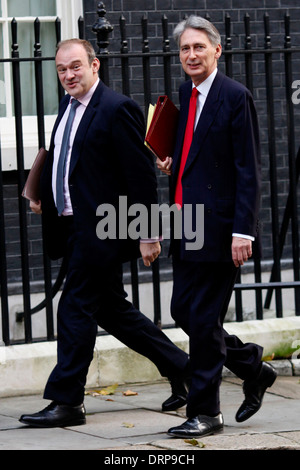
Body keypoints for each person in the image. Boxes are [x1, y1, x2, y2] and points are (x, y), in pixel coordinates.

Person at [19, 38, 190, 428]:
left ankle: (67, 401)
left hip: (105, 229)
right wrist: (41, 192)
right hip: (74, 226)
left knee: (74, 307)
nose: (68, 75)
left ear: (95, 65)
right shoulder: (67, 106)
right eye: (62, 69)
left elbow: (140, 176)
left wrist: (149, 232)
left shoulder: (117, 108)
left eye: (75, 66)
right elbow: (65, 158)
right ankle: (184, 368)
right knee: (112, 311)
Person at [156, 16, 277, 438]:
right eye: (185, 49)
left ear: (216, 51)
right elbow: (194, 153)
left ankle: (206, 412)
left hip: (223, 229)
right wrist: (172, 161)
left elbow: (249, 169)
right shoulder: (187, 98)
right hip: (187, 223)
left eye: (198, 48)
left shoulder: (234, 96)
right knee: (182, 311)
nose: (191, 55)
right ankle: (252, 367)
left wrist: (244, 231)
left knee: (204, 319)